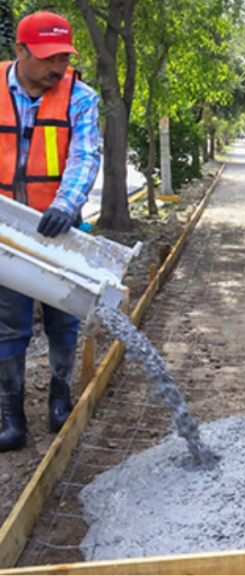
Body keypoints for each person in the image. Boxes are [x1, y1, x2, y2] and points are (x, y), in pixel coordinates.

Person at [0, 12, 101, 452]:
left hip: (59, 227)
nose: (57, 67)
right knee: (8, 322)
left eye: (63, 57)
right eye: (47, 58)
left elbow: (84, 156)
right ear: (19, 51)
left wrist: (65, 204)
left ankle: (60, 400)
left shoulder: (80, 97)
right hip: (6, 229)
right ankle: (11, 416)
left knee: (64, 317)